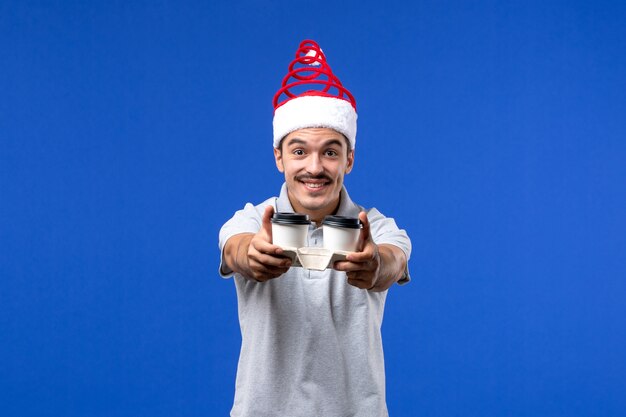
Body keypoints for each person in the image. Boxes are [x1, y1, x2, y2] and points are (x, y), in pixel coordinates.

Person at [218, 40, 411, 417]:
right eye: (300, 151)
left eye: (331, 151)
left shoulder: (379, 228)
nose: (315, 167)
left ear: (349, 160)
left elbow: (393, 261)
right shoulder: (252, 220)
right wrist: (250, 254)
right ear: (279, 157)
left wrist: (374, 267)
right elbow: (234, 247)